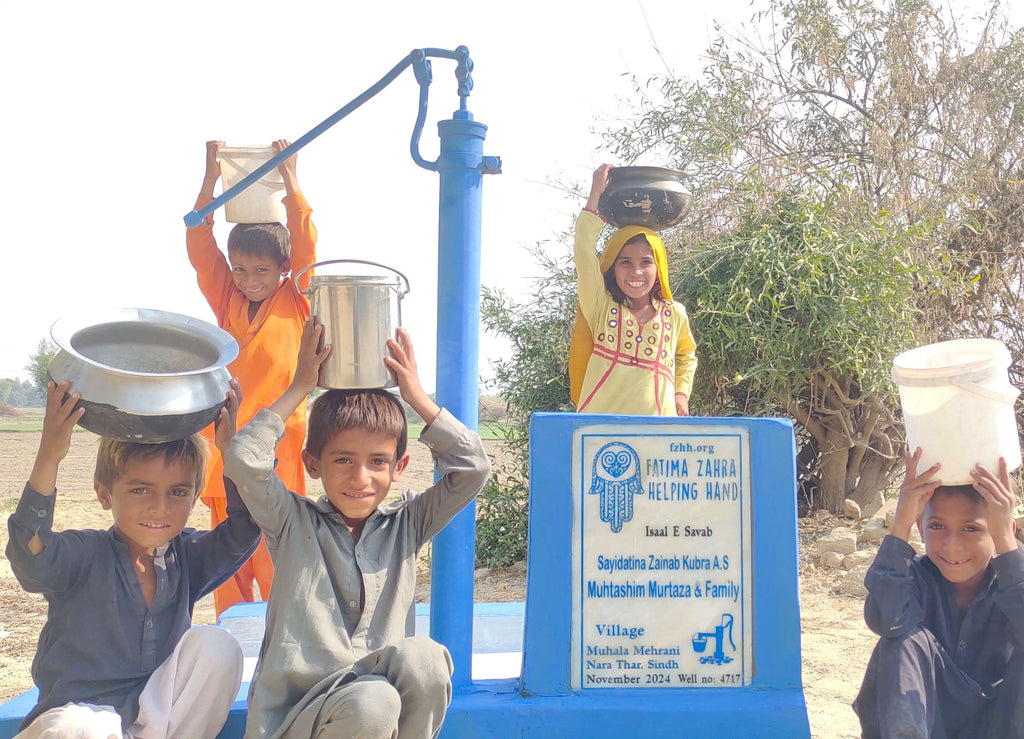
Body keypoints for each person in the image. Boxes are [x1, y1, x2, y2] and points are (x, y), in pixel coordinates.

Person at [223, 319, 491, 738]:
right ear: (313, 464)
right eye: (343, 460)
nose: (360, 477)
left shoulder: (407, 524)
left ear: (399, 467)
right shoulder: (291, 521)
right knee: (374, 700)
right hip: (300, 720)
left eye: (378, 462)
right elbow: (244, 459)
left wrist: (416, 397)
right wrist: (300, 387)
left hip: (374, 708)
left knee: (425, 658)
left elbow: (473, 468)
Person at [6, 379, 261, 738]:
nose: (160, 507)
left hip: (151, 723)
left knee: (218, 648)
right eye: (140, 490)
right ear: (104, 493)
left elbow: (246, 528)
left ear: (195, 496)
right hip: (74, 722)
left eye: (177, 492)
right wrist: (50, 452)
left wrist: (229, 449)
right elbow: (30, 554)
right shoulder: (84, 554)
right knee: (83, 728)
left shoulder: (186, 557)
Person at [186, 138, 317, 616]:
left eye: (261, 269)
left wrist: (291, 181)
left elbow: (306, 244)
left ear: (282, 269)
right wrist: (209, 180)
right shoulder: (227, 300)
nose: (248, 278)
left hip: (279, 448)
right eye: (240, 268)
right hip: (226, 445)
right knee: (230, 565)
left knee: (279, 559)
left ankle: (286, 656)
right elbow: (201, 246)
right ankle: (233, 658)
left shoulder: (297, 299)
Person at [853, 447, 1024, 738]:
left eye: (970, 529)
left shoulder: (1011, 580)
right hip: (925, 724)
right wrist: (900, 524)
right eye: (937, 527)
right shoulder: (913, 578)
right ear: (921, 528)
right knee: (902, 638)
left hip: (998, 725)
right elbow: (884, 619)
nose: (951, 546)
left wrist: (1007, 543)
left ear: (998, 529)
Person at [568, 163, 698, 416]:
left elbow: (687, 356)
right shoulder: (601, 308)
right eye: (625, 262)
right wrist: (596, 191)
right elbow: (584, 252)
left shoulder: (674, 314)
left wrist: (681, 394)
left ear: (659, 267)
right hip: (600, 434)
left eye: (646, 262)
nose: (636, 272)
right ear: (612, 268)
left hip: (658, 435)